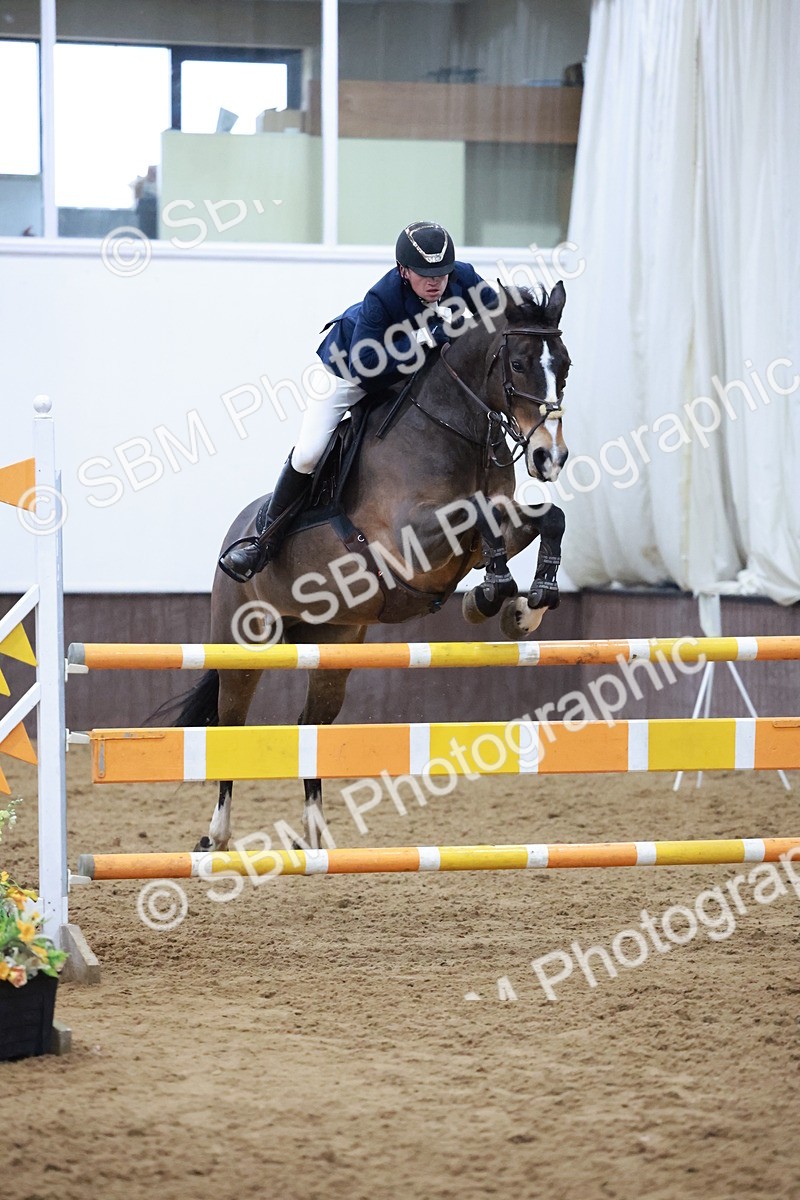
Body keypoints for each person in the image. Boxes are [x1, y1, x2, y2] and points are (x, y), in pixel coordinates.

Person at [219, 221, 494, 581]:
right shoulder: (382, 298)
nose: (436, 283)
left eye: (442, 274)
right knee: (309, 453)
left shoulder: (463, 277)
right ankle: (264, 543)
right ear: (403, 271)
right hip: (349, 372)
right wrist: (426, 337)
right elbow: (365, 368)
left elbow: (500, 315)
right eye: (425, 275)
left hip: (409, 374)